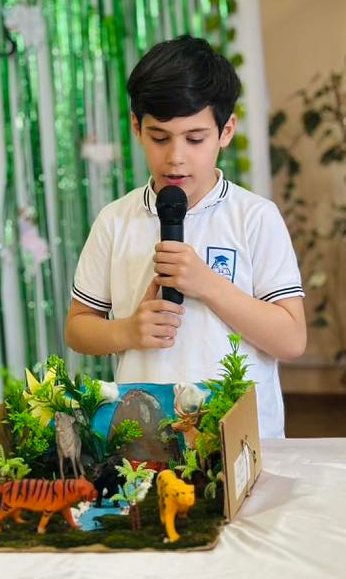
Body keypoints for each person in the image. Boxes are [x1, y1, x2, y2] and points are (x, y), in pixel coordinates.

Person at [65, 35, 306, 438]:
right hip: (144, 443)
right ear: (137, 127)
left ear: (226, 131)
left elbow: (292, 339)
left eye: (195, 139)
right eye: (160, 137)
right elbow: (78, 327)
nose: (175, 157)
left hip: (244, 442)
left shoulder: (255, 217)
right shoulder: (115, 221)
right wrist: (127, 330)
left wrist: (207, 283)